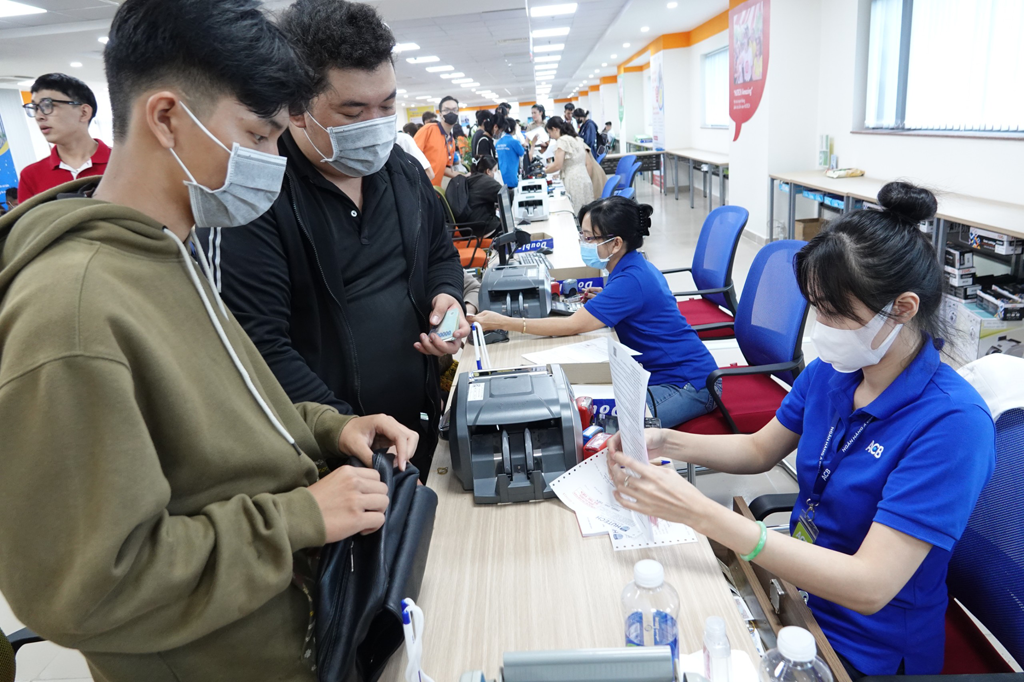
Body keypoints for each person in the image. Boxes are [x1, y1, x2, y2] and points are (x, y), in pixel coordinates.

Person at [0, 1, 422, 681]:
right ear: (167, 118)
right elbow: (85, 590)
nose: (273, 162)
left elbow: (221, 420)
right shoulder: (71, 313)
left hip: (304, 635)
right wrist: (300, 519)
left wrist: (327, 427)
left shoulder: (169, 250)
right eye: (258, 136)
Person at [605, 183, 996, 677]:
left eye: (834, 313)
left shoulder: (952, 424)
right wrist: (664, 440)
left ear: (903, 308)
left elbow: (870, 585)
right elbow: (758, 449)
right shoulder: (833, 373)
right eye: (815, 308)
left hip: (862, 647)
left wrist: (701, 513)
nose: (819, 327)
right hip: (794, 596)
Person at [198, 0, 467, 480]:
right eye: (353, 110)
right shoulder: (254, 198)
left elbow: (439, 252)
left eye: (387, 105)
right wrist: (343, 428)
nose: (376, 123)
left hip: (418, 425)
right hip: (326, 460)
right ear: (298, 110)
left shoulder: (402, 170)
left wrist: (447, 297)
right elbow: (256, 348)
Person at [471, 197, 720, 428]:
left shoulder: (630, 280)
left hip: (691, 385)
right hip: (665, 375)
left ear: (616, 243)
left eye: (589, 238)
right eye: (583, 235)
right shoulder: (631, 265)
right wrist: (607, 298)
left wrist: (505, 322)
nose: (584, 242)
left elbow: (571, 325)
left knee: (604, 426)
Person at [17, 74, 110, 201]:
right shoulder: (31, 175)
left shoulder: (122, 162)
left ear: (84, 112)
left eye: (48, 105)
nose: (39, 116)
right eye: (35, 108)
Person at [544, 115, 595, 215]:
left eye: (549, 132)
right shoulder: (577, 139)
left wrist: (543, 172)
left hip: (573, 181)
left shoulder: (562, 141)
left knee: (576, 212)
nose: (550, 136)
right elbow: (588, 163)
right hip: (585, 179)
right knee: (587, 213)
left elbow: (557, 165)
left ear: (554, 129)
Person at [414, 95, 459, 187]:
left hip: (435, 189)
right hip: (421, 187)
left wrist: (464, 176)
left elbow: (443, 168)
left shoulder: (451, 141)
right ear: (440, 114)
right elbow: (411, 157)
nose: (451, 113)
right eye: (447, 110)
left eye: (454, 110)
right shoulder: (428, 130)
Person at [455, 156, 503, 237]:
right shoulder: (486, 181)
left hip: (466, 229)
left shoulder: (471, 178)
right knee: (515, 233)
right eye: (495, 170)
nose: (497, 173)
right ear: (488, 171)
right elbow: (505, 195)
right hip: (481, 229)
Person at [494, 114, 525, 201]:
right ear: (514, 128)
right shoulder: (514, 142)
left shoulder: (498, 142)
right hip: (512, 176)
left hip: (501, 177)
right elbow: (522, 153)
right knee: (513, 201)